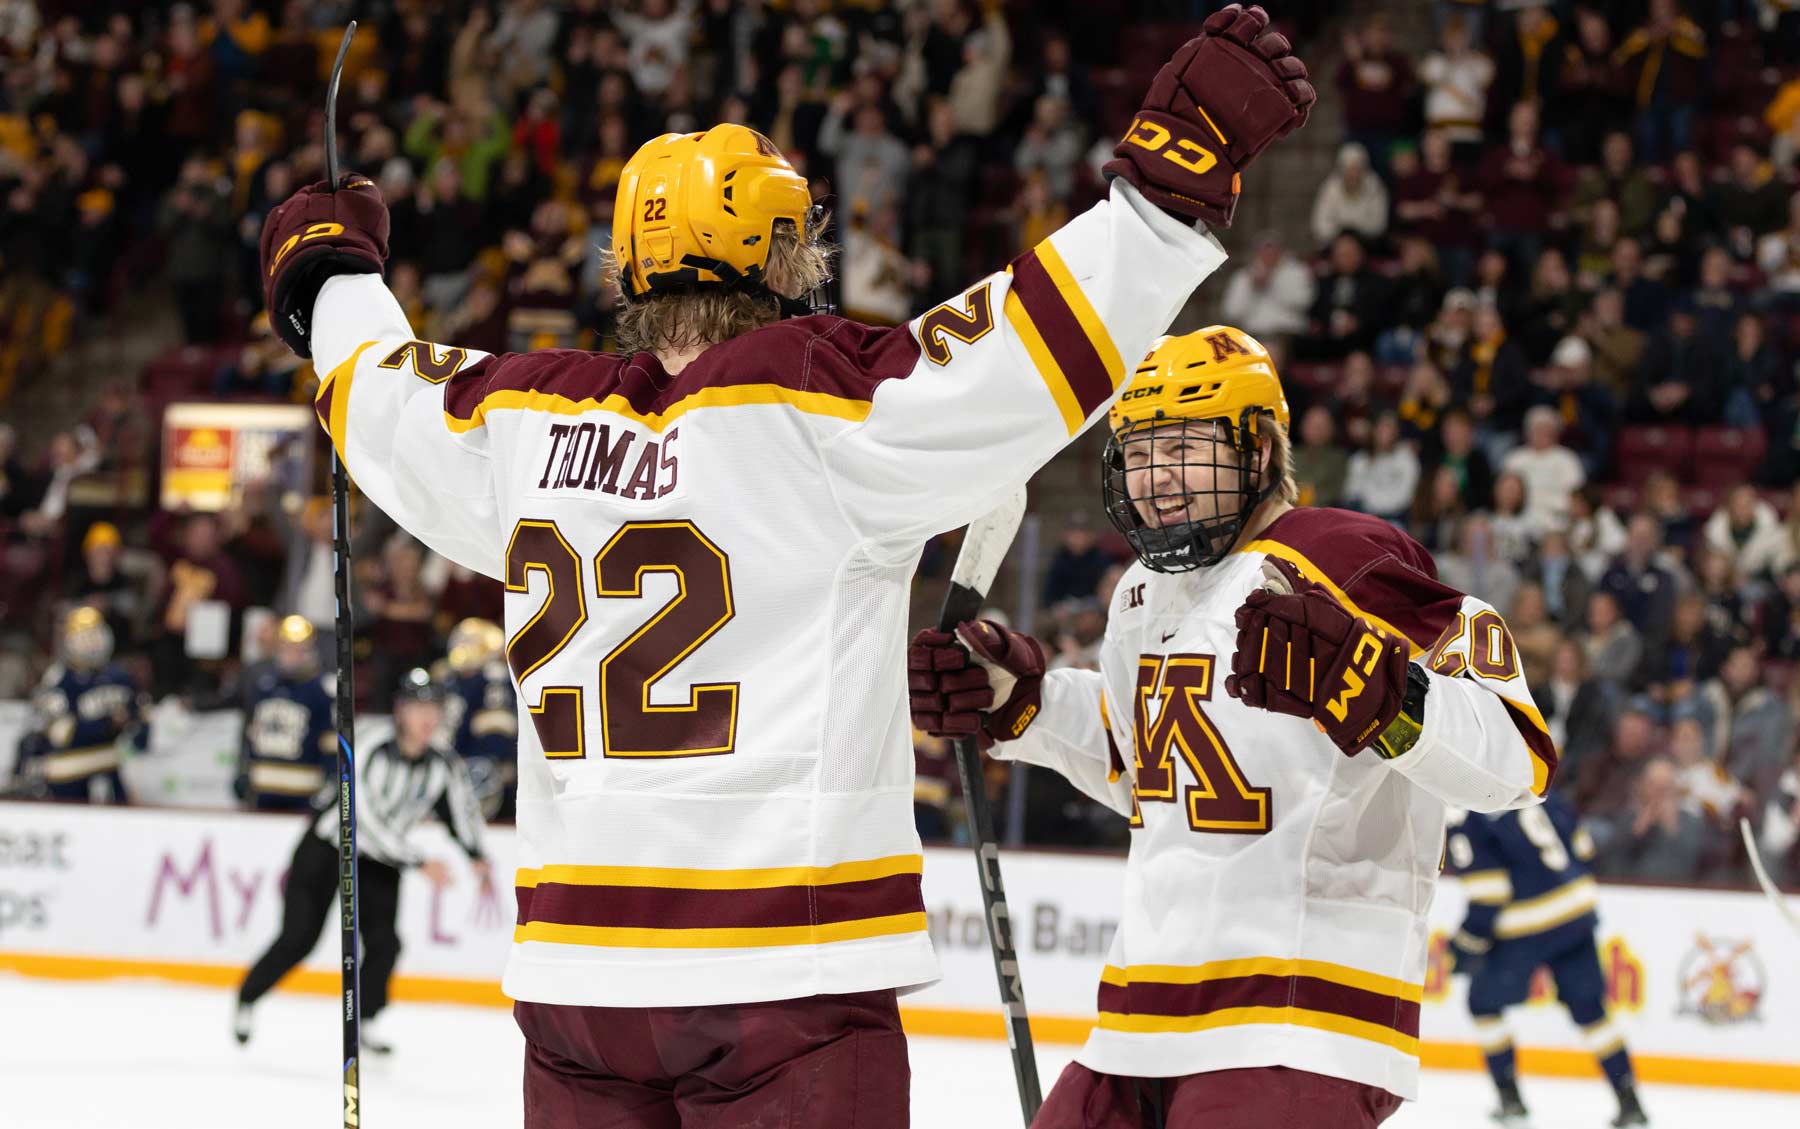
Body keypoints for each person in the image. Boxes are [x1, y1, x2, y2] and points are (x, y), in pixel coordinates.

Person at [255, 9, 1314, 1124]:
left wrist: (331, 281)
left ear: (629, 260)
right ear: (779, 252)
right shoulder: (820, 401)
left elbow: (374, 390)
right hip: (784, 976)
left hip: (574, 996)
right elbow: (1031, 343)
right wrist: (1167, 189)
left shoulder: (516, 419)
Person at [909, 326, 1553, 1127]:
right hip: (1142, 1016)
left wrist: (1383, 694)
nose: (1156, 477)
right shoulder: (1142, 593)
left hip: (1299, 1017)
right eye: (1138, 453)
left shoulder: (1343, 555)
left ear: (1260, 448)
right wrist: (1015, 699)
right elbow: (1146, 763)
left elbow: (1519, 756)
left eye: (1183, 445)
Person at [235, 669, 491, 1054]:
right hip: (328, 848)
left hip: (379, 860)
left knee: (385, 943)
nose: (428, 718)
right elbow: (361, 815)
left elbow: (460, 812)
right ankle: (248, 998)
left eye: (434, 708)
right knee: (299, 937)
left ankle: (365, 1020)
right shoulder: (369, 745)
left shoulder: (442, 765)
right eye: (419, 707)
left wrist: (476, 855)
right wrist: (418, 861)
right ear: (400, 710)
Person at [1446, 794, 1648, 1127]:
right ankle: (1631, 1103)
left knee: (1482, 1005)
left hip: (1525, 927)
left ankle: (1509, 1099)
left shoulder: (1462, 810)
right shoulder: (1531, 783)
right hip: (1575, 914)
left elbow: (1489, 894)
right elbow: (1584, 848)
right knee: (1591, 1012)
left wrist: (1465, 944)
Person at [15, 607, 145, 803]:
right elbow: (60, 732)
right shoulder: (59, 678)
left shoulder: (120, 676)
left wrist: (132, 725)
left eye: (95, 636)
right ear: (71, 642)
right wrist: (107, 725)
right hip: (70, 771)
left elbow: (140, 719)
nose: (91, 644)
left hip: (110, 767)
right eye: (84, 638)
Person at [236, 616, 336, 812]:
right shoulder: (262, 684)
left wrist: (329, 785)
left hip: (304, 796)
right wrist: (243, 772)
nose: (292, 655)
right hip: (261, 792)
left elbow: (330, 745)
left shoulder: (322, 691)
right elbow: (249, 733)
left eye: (299, 650)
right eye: (287, 648)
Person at [436, 617, 519, 821]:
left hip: (487, 778)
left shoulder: (492, 682)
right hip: (459, 773)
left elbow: (496, 737)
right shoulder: (453, 680)